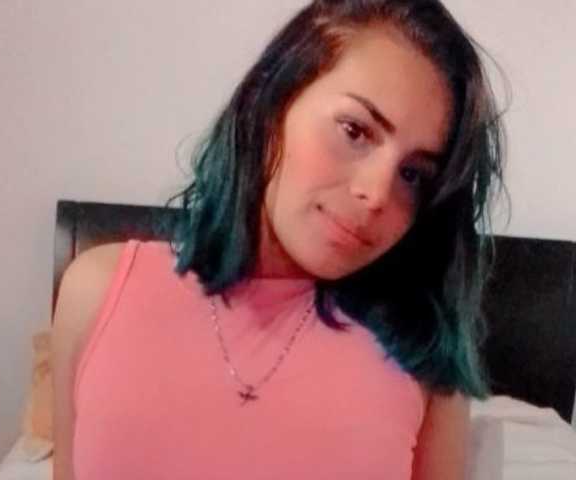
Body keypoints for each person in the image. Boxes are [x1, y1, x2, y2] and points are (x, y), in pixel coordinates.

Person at [52, 0, 505, 479]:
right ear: (272, 103)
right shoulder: (98, 292)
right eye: (355, 131)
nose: (376, 194)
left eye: (413, 174)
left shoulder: (423, 356)